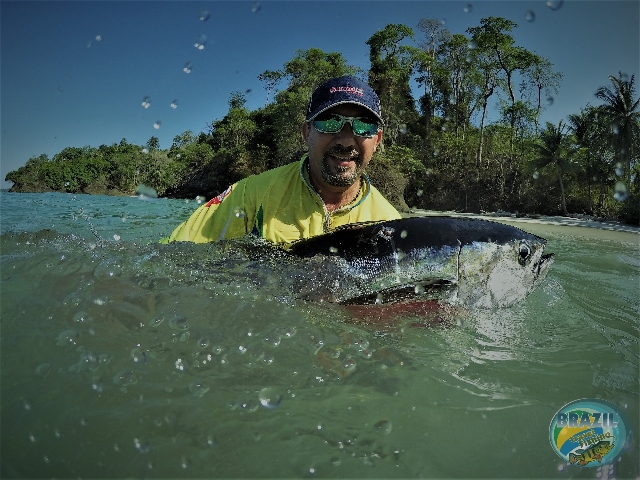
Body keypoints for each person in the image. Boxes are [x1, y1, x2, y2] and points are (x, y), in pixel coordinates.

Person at [163, 75, 401, 246]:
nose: (347, 141)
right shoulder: (250, 195)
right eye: (330, 122)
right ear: (307, 133)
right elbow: (170, 255)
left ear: (377, 140)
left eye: (363, 126)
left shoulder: (391, 225)